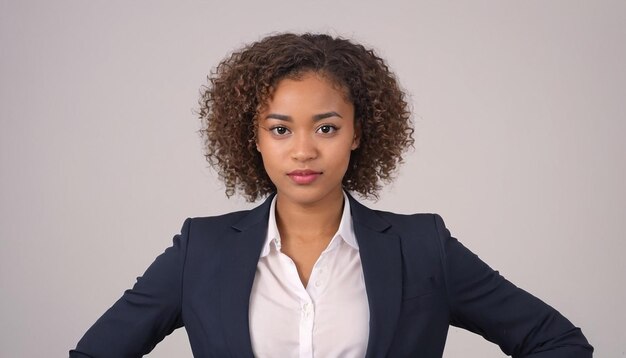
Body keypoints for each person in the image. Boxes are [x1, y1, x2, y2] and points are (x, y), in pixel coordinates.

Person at [70, 33, 593, 357]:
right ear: (252, 138)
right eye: (280, 130)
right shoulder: (199, 250)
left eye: (325, 128)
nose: (303, 152)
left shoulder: (422, 245)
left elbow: (558, 343)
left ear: (358, 133)